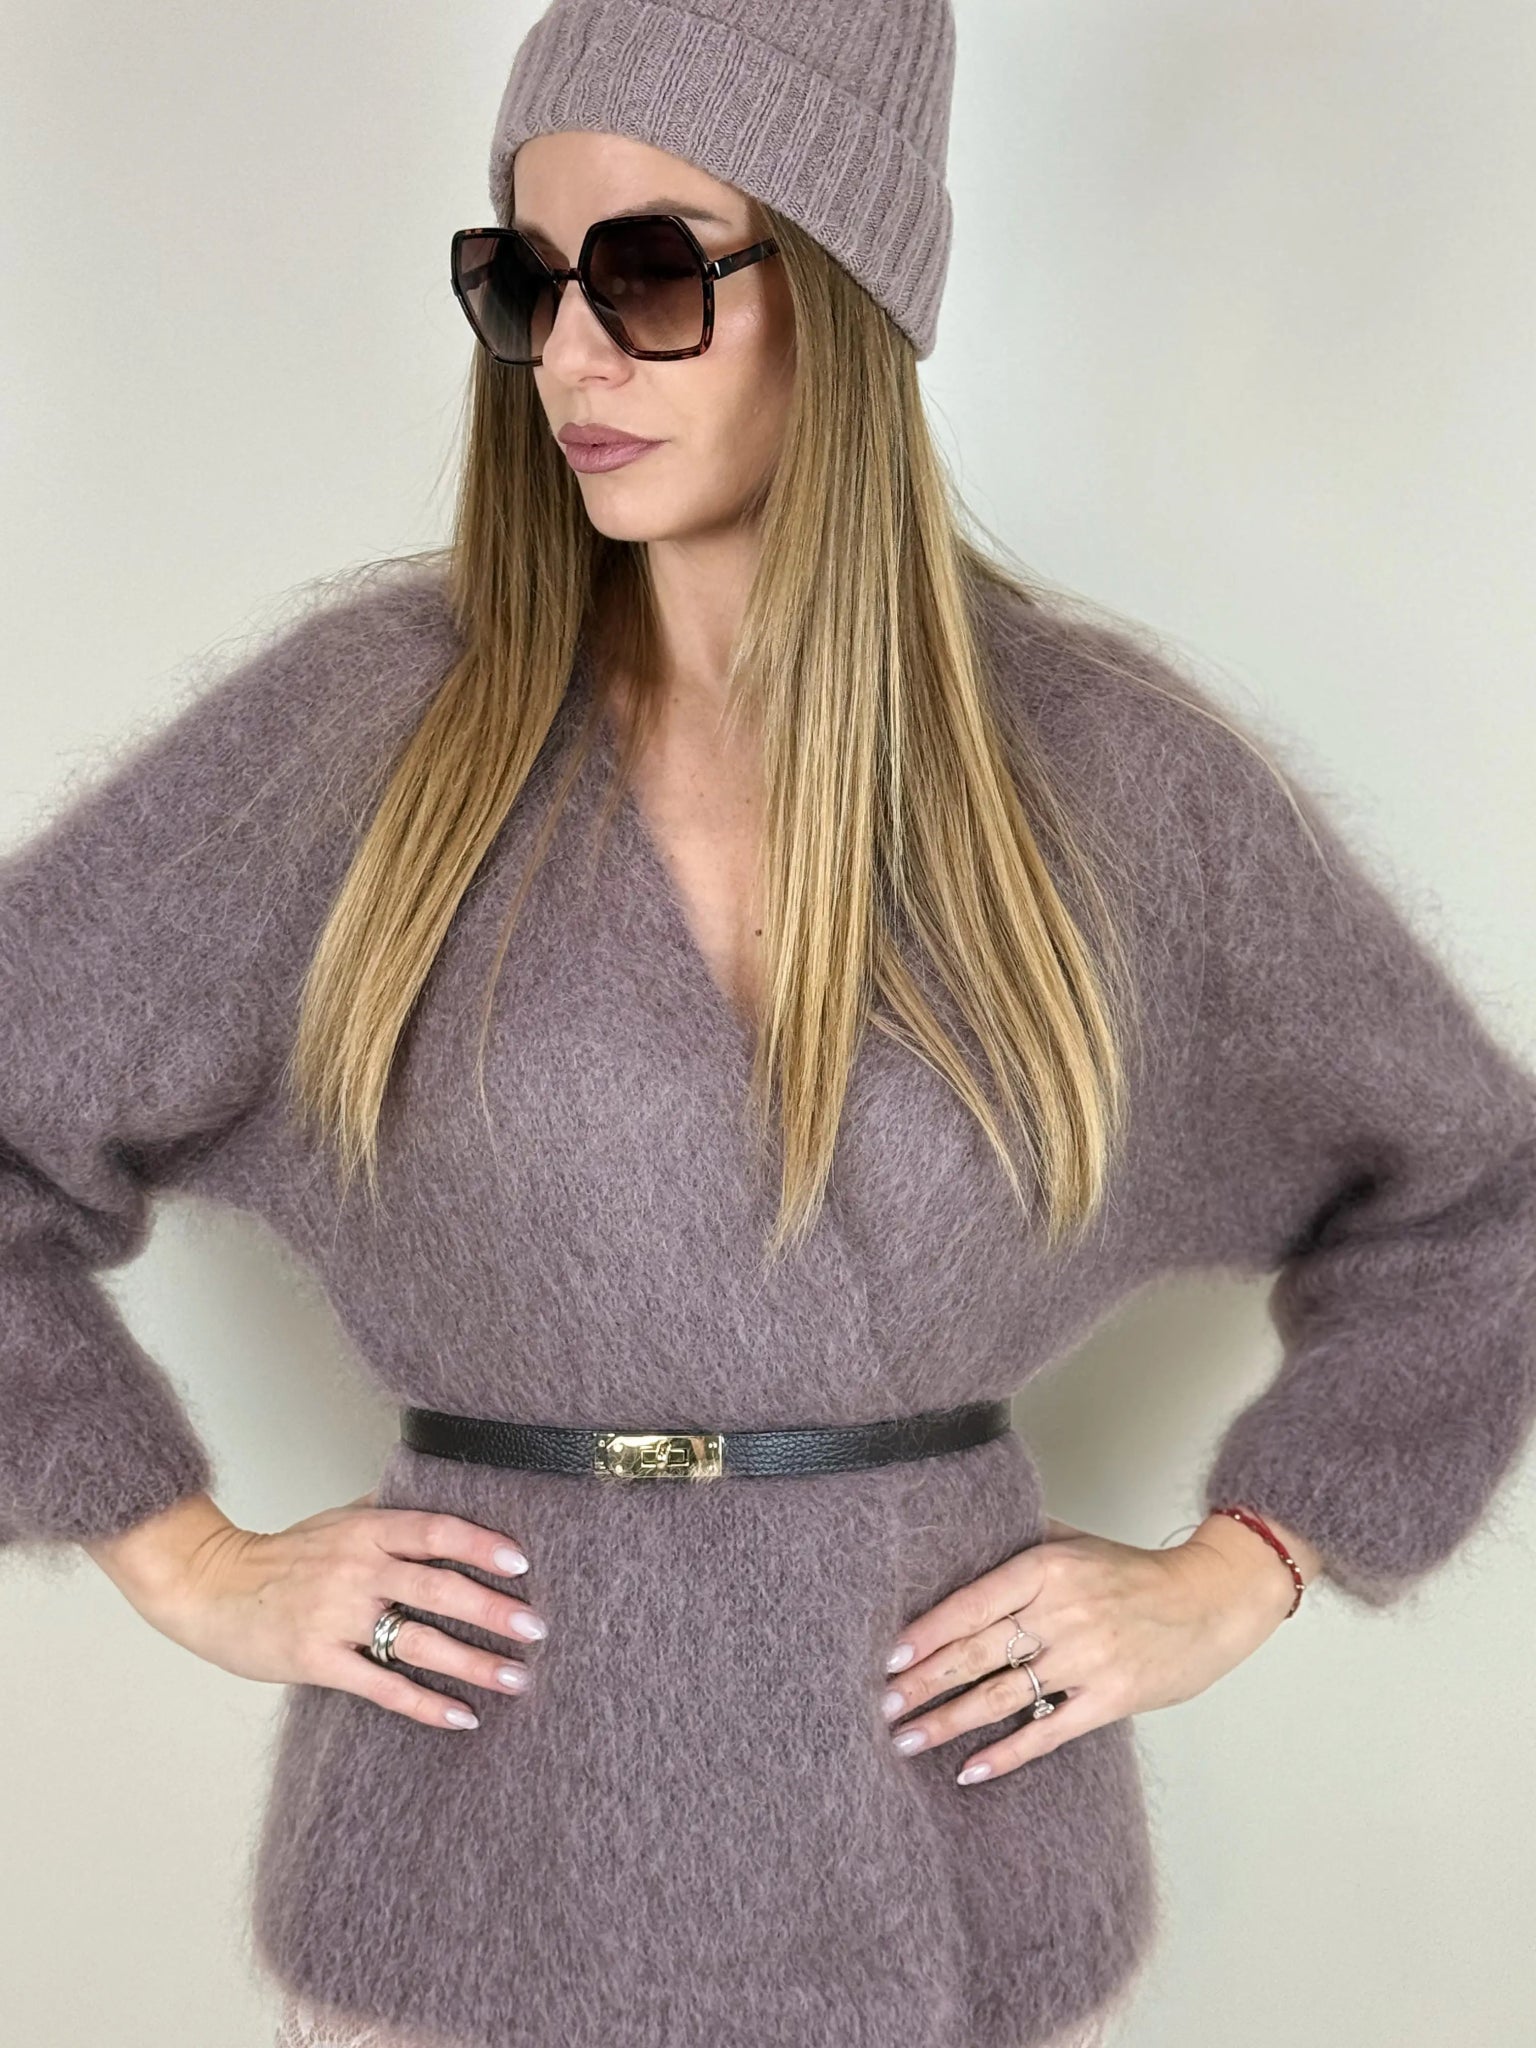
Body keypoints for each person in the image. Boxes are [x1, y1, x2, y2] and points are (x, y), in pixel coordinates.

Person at [4, 4, 1534, 2046]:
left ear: (844, 283)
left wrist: (1249, 1560)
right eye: (523, 281)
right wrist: (182, 1553)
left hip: (945, 1862)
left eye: (648, 273)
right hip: (477, 1874)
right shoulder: (370, 741)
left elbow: (1479, 1200)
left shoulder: (1106, 781)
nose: (571, 355)